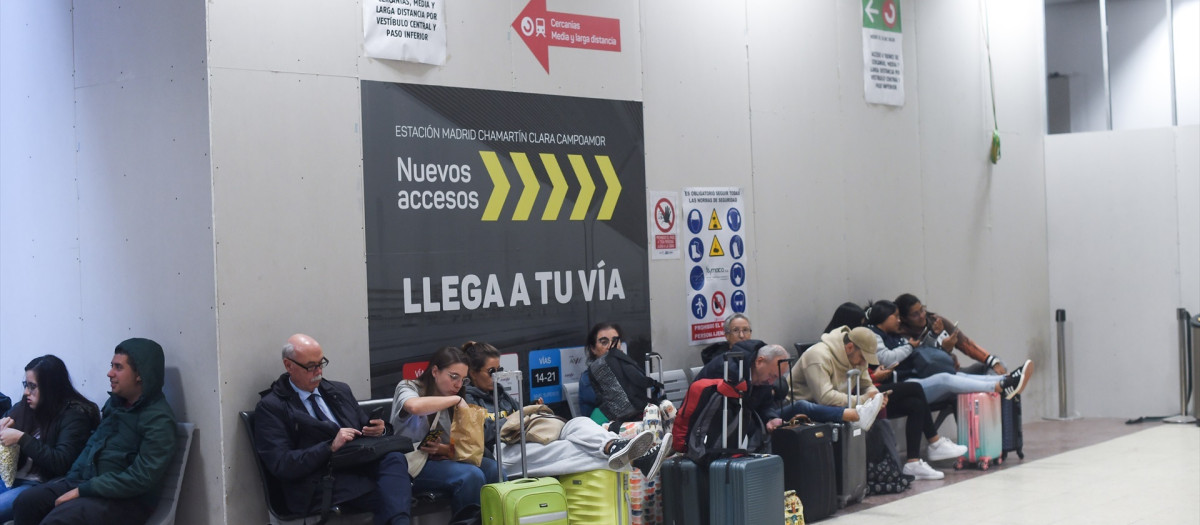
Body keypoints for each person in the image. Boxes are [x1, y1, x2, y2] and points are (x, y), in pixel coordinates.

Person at [253, 334, 412, 525]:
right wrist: (329, 447)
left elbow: (365, 427)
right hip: (318, 479)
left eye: (322, 363)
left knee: (394, 459)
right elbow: (282, 464)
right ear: (289, 366)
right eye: (311, 367)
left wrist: (381, 430)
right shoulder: (272, 407)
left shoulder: (338, 391)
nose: (319, 372)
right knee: (392, 495)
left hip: (357, 463)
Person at [13, 338, 177, 525]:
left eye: (118, 367)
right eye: (111, 366)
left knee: (59, 520)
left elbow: (141, 478)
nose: (110, 373)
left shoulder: (158, 420)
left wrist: (84, 490)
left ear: (139, 374)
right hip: (88, 483)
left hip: (126, 499)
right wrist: (73, 482)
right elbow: (91, 447)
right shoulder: (115, 405)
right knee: (26, 502)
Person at [459, 342, 664, 479]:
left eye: (499, 370)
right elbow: (479, 436)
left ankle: (614, 446)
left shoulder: (501, 395)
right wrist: (515, 419)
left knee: (578, 423)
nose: (497, 376)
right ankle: (637, 459)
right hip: (502, 453)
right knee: (571, 450)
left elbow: (517, 417)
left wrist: (530, 411)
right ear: (472, 373)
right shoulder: (465, 400)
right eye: (491, 372)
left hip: (528, 439)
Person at [789, 326, 967, 480]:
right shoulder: (818, 356)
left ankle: (913, 462)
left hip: (840, 405)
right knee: (912, 390)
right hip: (805, 412)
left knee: (914, 403)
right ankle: (931, 445)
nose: (864, 363)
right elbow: (825, 398)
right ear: (850, 347)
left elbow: (868, 385)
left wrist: (876, 397)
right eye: (862, 358)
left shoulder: (855, 357)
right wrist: (867, 400)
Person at [391, 346, 499, 515]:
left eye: (463, 379)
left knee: (494, 469)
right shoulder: (408, 387)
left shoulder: (455, 398)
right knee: (471, 476)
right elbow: (414, 406)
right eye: (453, 377)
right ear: (435, 371)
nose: (458, 385)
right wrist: (454, 399)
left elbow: (463, 449)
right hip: (410, 464)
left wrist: (442, 448)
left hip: (442, 460)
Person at [866, 300, 1034, 403]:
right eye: (895, 316)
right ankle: (999, 386)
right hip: (909, 383)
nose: (898, 320)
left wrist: (935, 337)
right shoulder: (879, 335)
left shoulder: (903, 332)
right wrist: (912, 346)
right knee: (946, 378)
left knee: (955, 374)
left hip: (926, 374)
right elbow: (888, 358)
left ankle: (1006, 379)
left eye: (922, 310)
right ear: (883, 317)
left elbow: (964, 344)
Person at [0, 356, 101, 522]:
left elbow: (62, 461)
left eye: (33, 386)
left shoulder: (74, 415)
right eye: (26, 385)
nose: (26, 392)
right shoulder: (25, 406)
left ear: (50, 388)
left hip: (35, 485)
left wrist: (22, 438)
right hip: (8, 479)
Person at [577, 322, 673, 430]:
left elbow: (649, 392)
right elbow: (592, 413)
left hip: (641, 418)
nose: (610, 346)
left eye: (615, 341)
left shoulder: (628, 367)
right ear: (593, 349)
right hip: (608, 428)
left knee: (666, 407)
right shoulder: (588, 377)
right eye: (604, 342)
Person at [894, 293, 1012, 375]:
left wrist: (992, 362)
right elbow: (926, 362)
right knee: (999, 382)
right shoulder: (902, 335)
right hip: (938, 377)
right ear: (903, 319)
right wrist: (945, 350)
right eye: (915, 314)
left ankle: (999, 385)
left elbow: (966, 344)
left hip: (955, 370)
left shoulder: (935, 320)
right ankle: (996, 385)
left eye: (922, 310)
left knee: (998, 364)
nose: (921, 316)